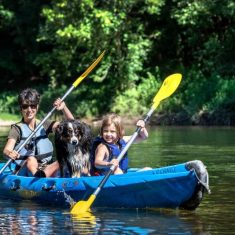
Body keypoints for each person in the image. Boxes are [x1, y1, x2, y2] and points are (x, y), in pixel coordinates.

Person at [3, 88, 74, 177]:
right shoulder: (17, 129)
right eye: (25, 106)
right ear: (21, 108)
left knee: (64, 159)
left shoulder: (45, 124)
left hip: (44, 169)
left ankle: (44, 176)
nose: (29, 110)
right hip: (24, 170)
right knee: (31, 160)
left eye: (32, 106)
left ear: (37, 107)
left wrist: (64, 108)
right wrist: (10, 153)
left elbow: (72, 126)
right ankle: (39, 180)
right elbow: (6, 150)